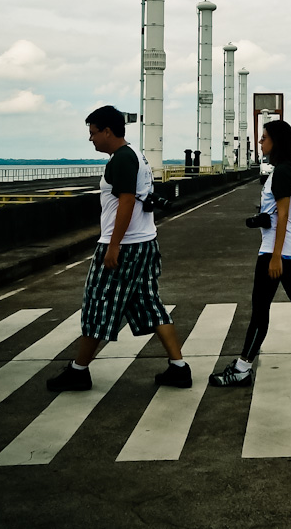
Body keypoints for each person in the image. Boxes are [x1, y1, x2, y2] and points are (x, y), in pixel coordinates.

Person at [47, 106, 191, 392]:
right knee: (150, 305)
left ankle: (78, 371)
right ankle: (179, 367)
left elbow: (126, 202)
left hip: (123, 246)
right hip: (145, 242)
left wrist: (113, 246)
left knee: (97, 304)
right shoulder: (137, 156)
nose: (91, 139)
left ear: (107, 131)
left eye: (93, 133)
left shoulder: (121, 159)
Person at [209, 119, 291, 386]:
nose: (261, 142)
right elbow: (278, 214)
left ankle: (242, 369)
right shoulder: (287, 170)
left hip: (277, 253)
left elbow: (284, 215)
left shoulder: (283, 171)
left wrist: (275, 256)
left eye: (264, 137)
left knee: (260, 311)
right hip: (288, 249)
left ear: (277, 141)